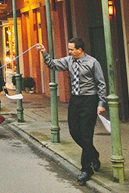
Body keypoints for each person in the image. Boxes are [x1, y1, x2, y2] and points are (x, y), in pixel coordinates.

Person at [38, 38, 106, 185]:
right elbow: (53, 65)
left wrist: (101, 103)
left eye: (71, 49)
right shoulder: (69, 61)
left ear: (80, 50)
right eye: (69, 49)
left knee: (86, 134)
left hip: (89, 100)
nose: (69, 51)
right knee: (74, 132)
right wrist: (44, 53)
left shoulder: (93, 62)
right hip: (75, 100)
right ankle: (93, 154)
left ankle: (86, 169)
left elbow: (101, 83)